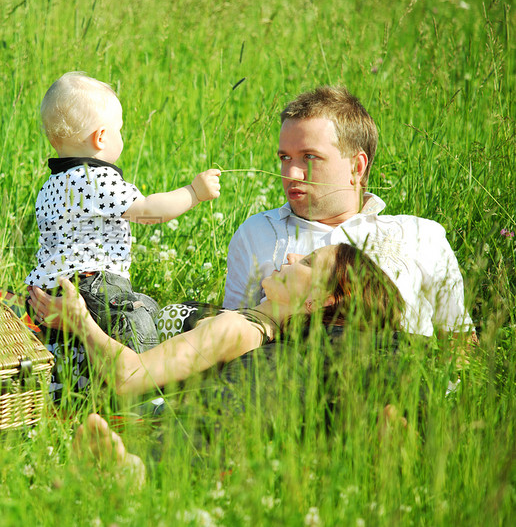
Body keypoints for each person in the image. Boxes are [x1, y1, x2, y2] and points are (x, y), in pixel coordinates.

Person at [30, 243, 405, 482]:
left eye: (307, 261)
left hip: (117, 394)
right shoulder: (262, 334)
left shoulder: (239, 329)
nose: (290, 257)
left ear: (320, 300)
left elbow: (129, 376)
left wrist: (80, 322)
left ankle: (122, 465)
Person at [222, 86, 473, 338]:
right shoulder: (257, 233)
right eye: (285, 158)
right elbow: (228, 335)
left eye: (309, 156)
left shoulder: (420, 235)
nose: (291, 174)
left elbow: (460, 342)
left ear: (357, 166)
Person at [26, 72, 221, 355]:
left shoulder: (51, 185)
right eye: (119, 129)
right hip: (93, 283)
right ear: (102, 137)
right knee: (134, 318)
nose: (122, 136)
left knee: (145, 305)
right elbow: (148, 212)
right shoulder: (97, 178)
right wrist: (194, 193)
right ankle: (143, 381)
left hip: (48, 291)